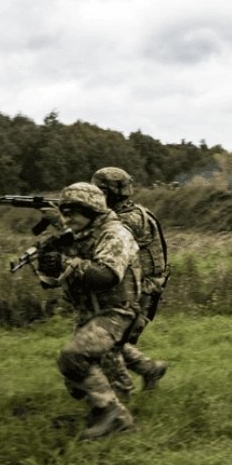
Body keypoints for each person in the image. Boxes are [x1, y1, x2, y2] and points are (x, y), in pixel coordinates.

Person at [35, 182, 143, 439]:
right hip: (88, 312)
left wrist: (67, 263)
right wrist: (49, 264)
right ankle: (102, 411)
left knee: (73, 358)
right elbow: (51, 282)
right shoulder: (77, 236)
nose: (67, 218)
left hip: (116, 312)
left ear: (92, 211)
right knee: (79, 383)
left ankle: (116, 417)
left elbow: (106, 276)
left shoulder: (115, 234)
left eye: (74, 212)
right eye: (64, 212)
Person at [91, 167, 169, 399]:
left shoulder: (129, 219)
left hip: (140, 291)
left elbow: (97, 239)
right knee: (110, 340)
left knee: (107, 341)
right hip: (135, 288)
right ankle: (150, 370)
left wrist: (63, 220)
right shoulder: (127, 213)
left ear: (107, 193)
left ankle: (119, 398)